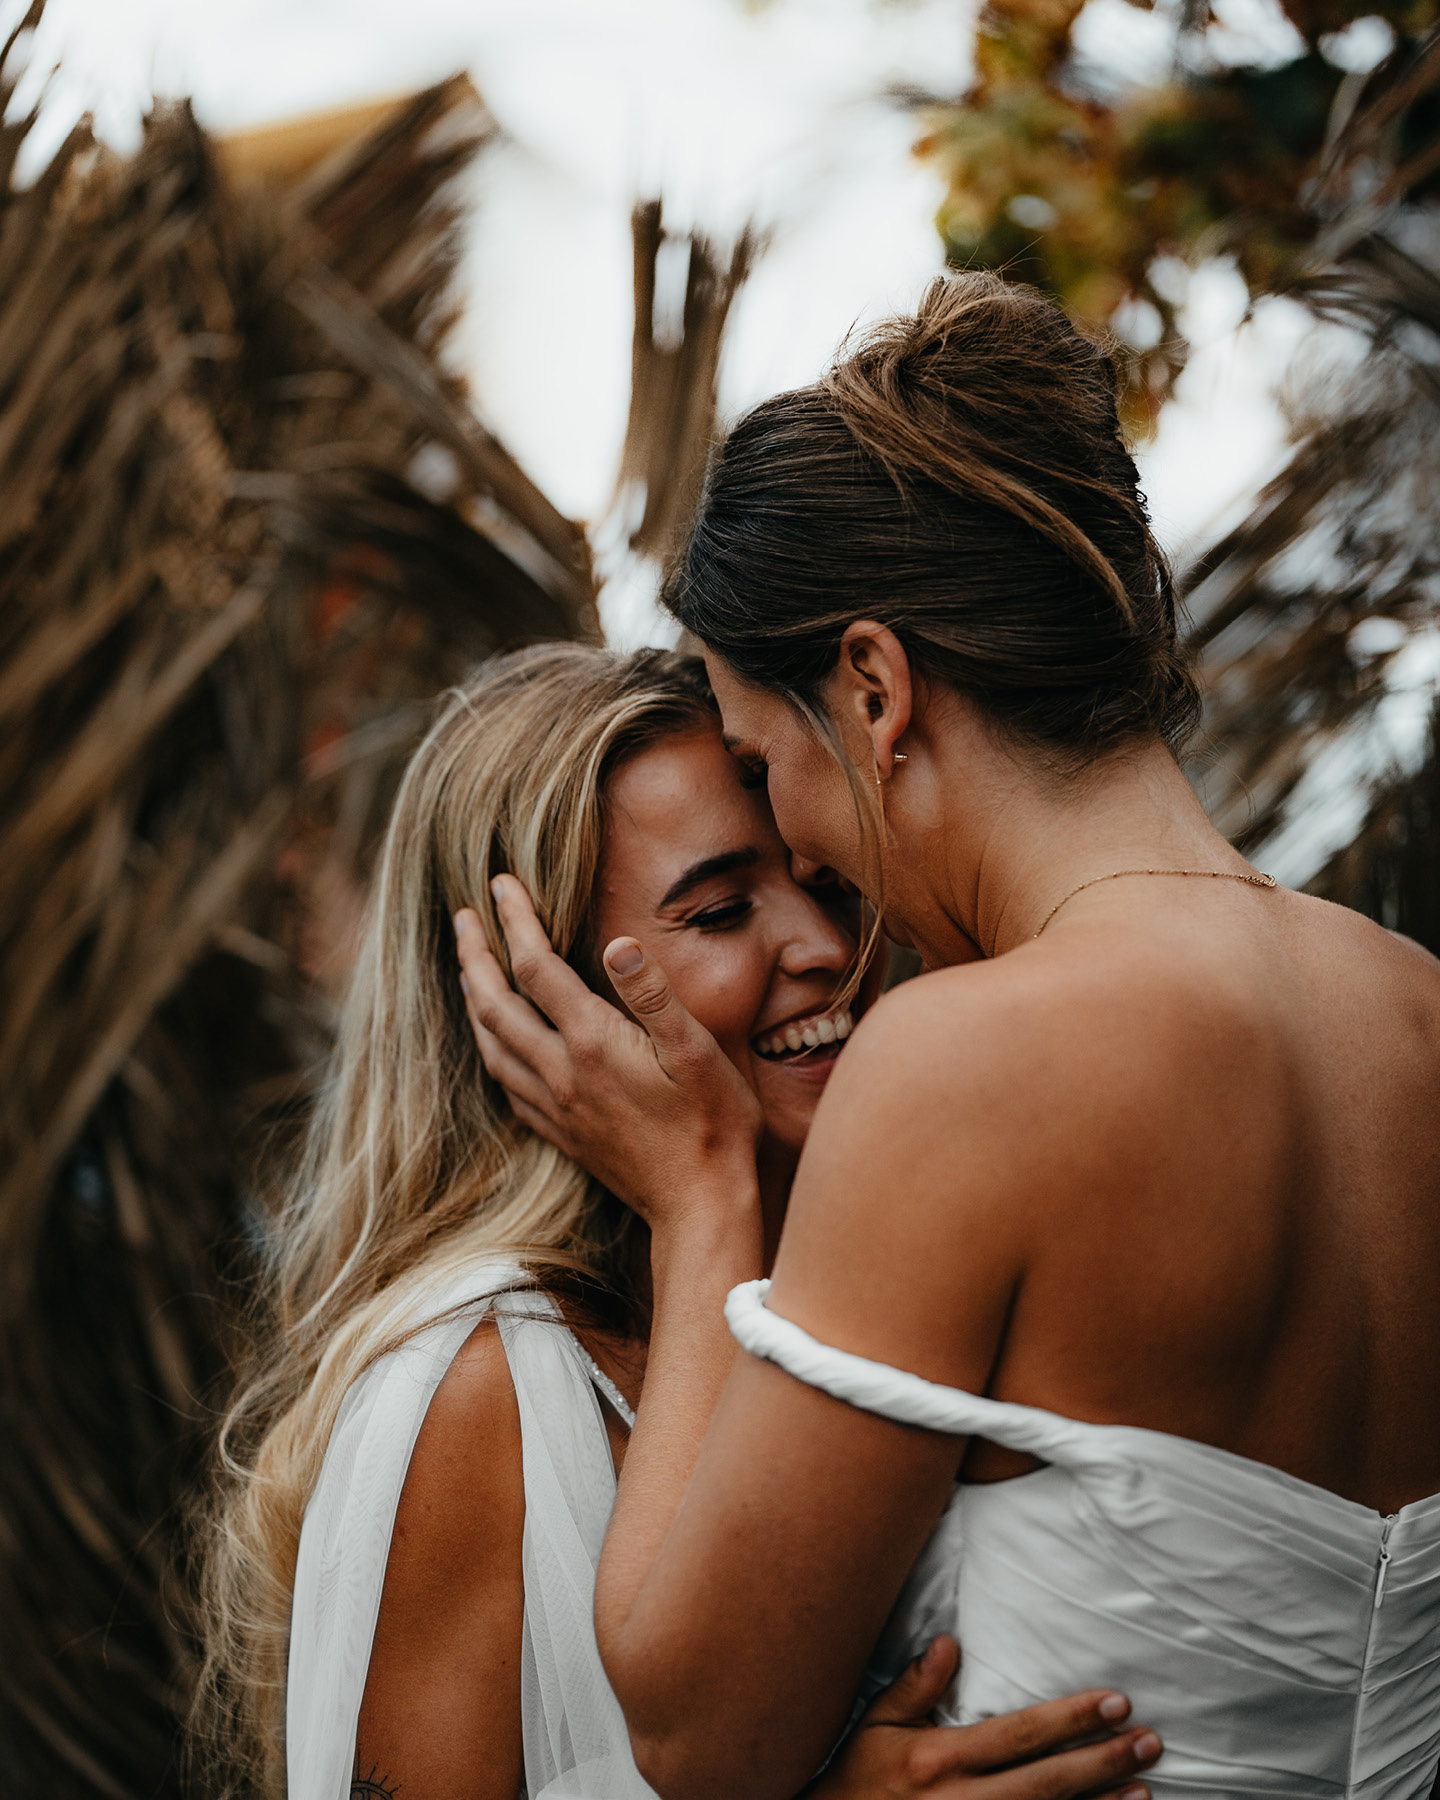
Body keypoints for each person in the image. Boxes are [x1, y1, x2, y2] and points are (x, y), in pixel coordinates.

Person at [457, 274, 1440, 1800]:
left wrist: (705, 1203)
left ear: (874, 687)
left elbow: (703, 1736)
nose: (795, 839)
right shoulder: (1418, 1011)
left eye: (765, 760)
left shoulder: (968, 1062)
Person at [194, 643, 1164, 1800]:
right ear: (537, 999)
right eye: (718, 911)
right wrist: (700, 1190)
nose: (822, 948)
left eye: (830, 880)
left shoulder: (900, 1291)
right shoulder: (474, 1388)